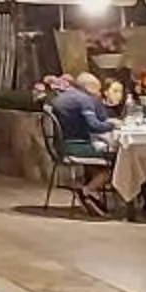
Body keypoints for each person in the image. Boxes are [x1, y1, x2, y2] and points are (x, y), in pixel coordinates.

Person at [48, 71, 121, 217]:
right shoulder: (84, 100)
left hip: (63, 144)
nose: (99, 94)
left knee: (98, 160)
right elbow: (94, 125)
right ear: (90, 88)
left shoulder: (63, 97)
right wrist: (113, 125)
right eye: (97, 90)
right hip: (75, 146)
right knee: (116, 160)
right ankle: (89, 190)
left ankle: (93, 197)